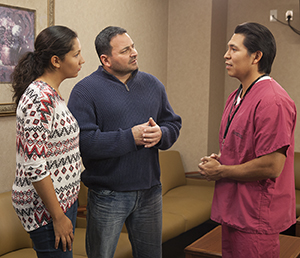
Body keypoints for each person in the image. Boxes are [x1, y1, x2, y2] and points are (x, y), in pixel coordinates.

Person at [68, 26, 181, 258]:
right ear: (105, 59)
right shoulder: (85, 91)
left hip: (150, 191)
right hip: (107, 195)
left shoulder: (153, 84)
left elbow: (173, 124)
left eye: (133, 46)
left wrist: (162, 134)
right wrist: (131, 137)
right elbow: (84, 142)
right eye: (126, 50)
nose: (134, 53)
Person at [198, 22, 297, 258]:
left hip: (255, 215)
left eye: (234, 49)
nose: (226, 55)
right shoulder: (238, 95)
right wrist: (220, 160)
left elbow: (272, 165)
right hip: (234, 210)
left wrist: (221, 171)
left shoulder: (273, 101)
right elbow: (244, 147)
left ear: (256, 56)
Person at [11, 25, 85, 258]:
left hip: (63, 201)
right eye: (76, 54)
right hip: (46, 209)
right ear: (56, 60)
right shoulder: (39, 98)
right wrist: (58, 216)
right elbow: (35, 165)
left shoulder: (52, 94)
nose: (82, 60)